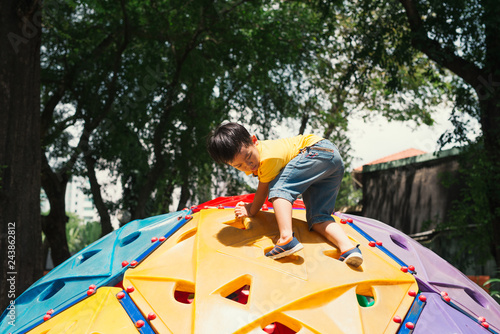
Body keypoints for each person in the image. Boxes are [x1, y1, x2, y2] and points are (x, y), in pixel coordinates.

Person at [206, 122, 363, 267]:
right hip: (332, 162)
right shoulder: (259, 157)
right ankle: (348, 249)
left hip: (317, 151)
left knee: (279, 188)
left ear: (254, 141)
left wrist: (250, 210)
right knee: (318, 218)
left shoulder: (268, 157)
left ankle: (286, 238)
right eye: (239, 165)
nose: (249, 165)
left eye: (248, 156)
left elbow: (263, 191)